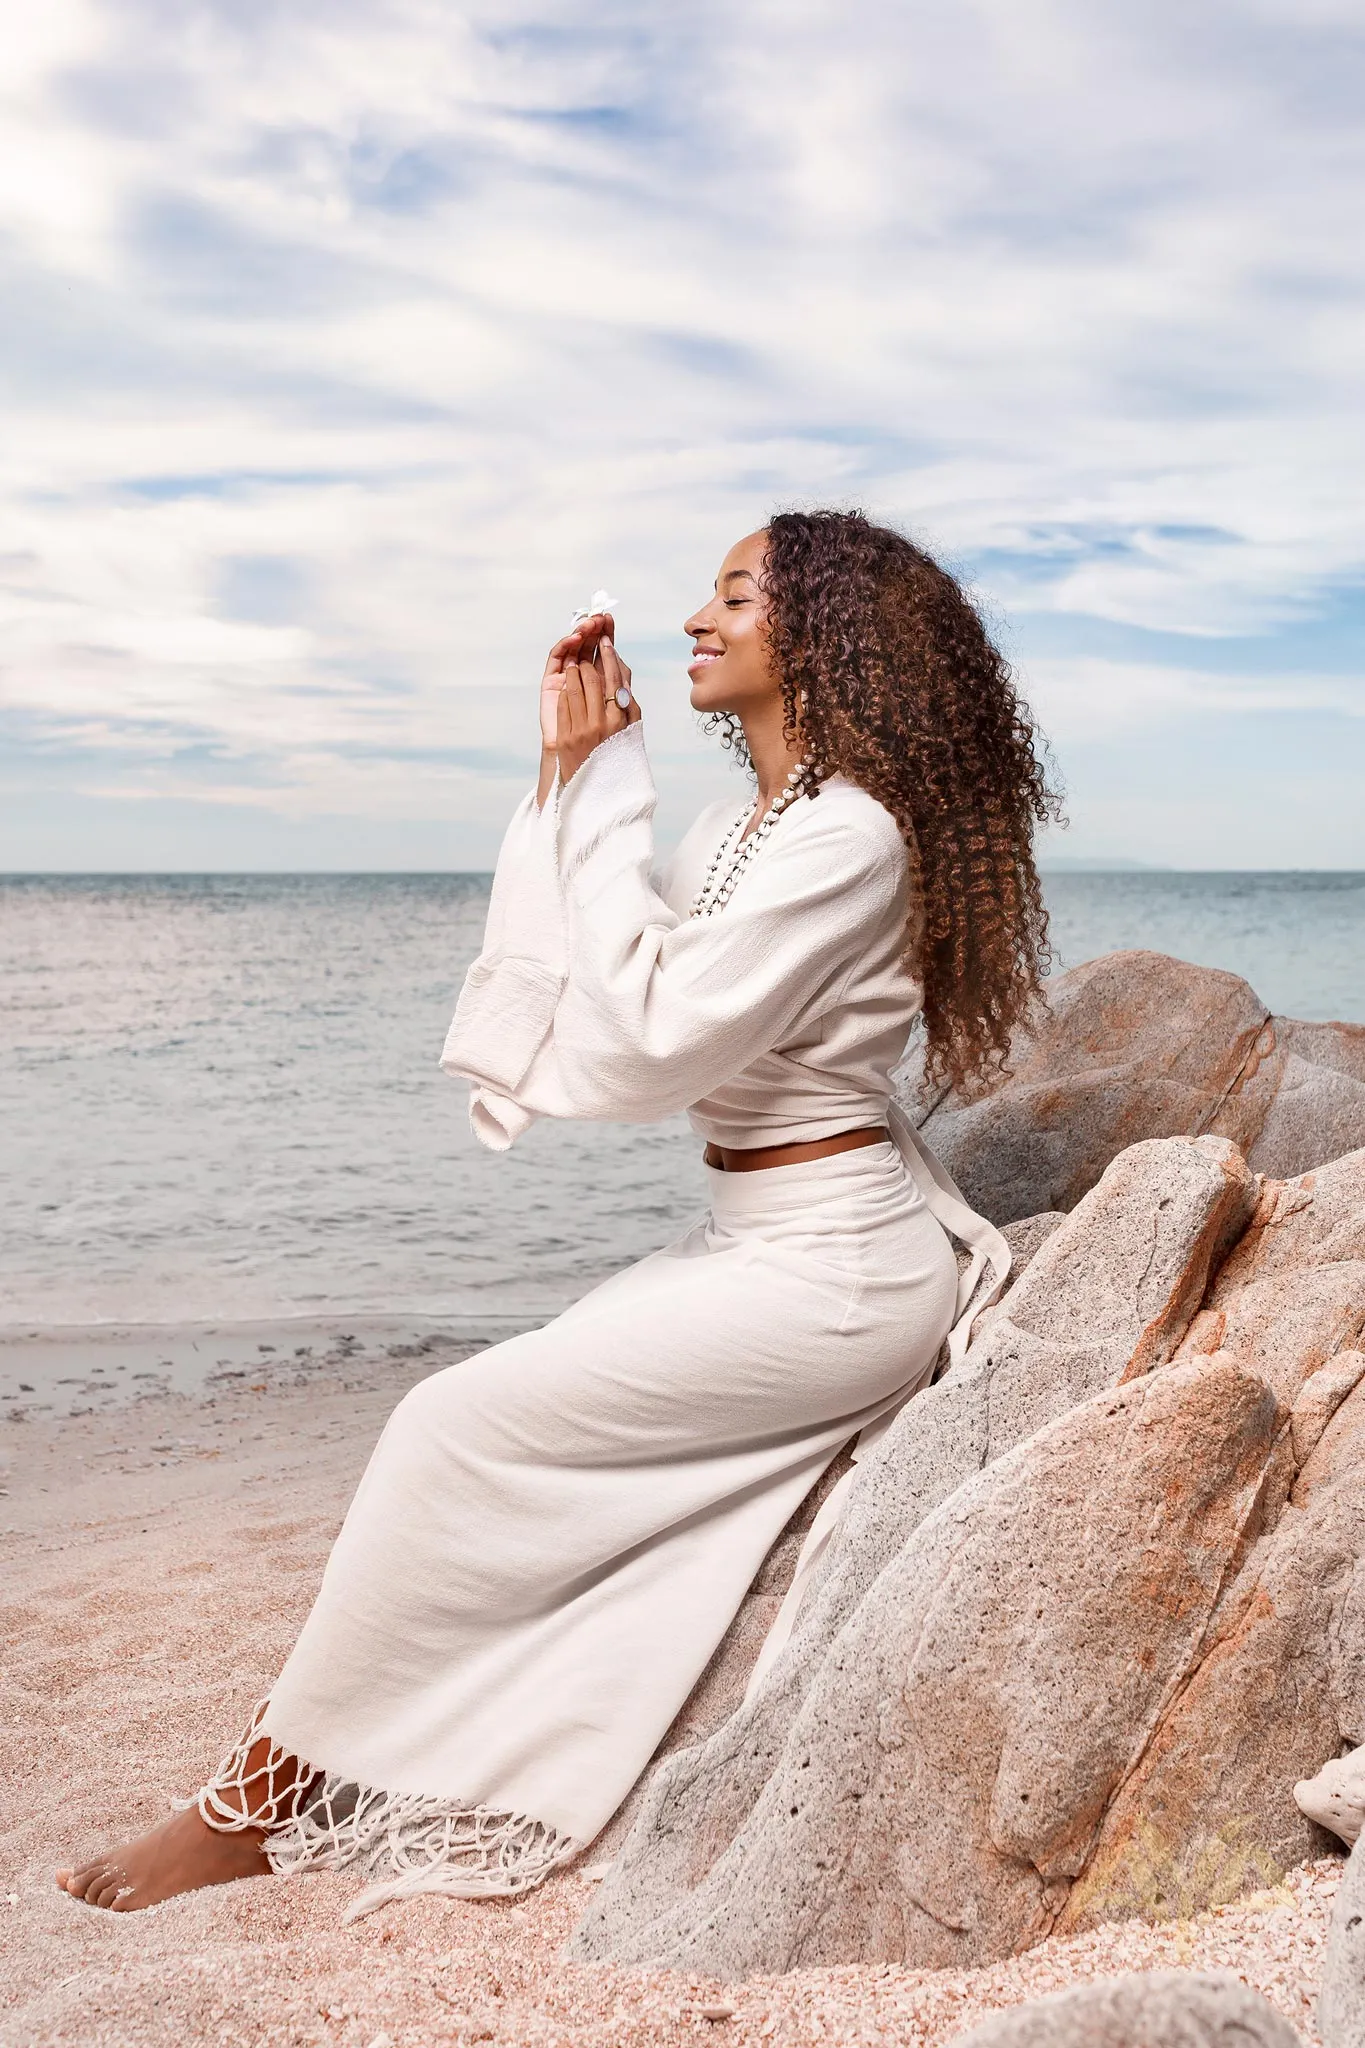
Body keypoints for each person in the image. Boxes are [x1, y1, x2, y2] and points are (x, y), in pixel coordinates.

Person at [57, 509, 1058, 1917]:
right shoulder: (748, 823)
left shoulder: (851, 838)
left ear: (826, 634)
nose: (697, 620)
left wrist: (608, 795)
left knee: (443, 1425)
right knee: (495, 1436)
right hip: (751, 1243)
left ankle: (256, 1803)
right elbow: (611, 975)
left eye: (735, 595)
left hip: (835, 1270)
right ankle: (324, 1766)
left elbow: (649, 1036)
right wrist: (568, 775)